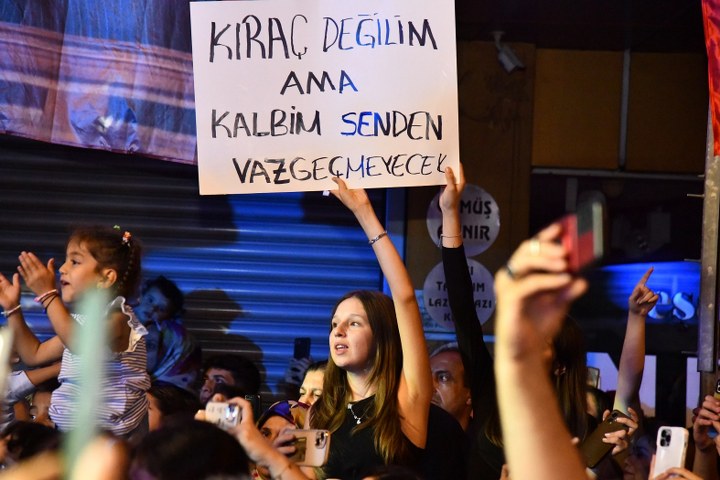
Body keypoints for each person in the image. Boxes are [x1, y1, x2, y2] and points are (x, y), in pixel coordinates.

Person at [307, 177, 432, 480]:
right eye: (334, 324)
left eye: (353, 323)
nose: (338, 332)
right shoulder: (319, 411)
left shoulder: (406, 398)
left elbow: (404, 298)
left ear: (382, 336)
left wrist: (363, 212)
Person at [0, 225, 150, 437]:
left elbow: (79, 343)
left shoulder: (119, 318)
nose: (62, 268)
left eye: (75, 261)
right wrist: (12, 309)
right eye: (66, 260)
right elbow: (33, 354)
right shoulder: (81, 322)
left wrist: (48, 294)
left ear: (106, 278)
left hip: (112, 439)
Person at [493, 221, 589, 480]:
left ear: (561, 365)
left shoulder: (577, 428)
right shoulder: (496, 397)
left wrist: (519, 360)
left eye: (542, 342)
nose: (532, 345)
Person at [135, 275, 201, 391]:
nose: (152, 308)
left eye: (161, 309)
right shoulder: (116, 319)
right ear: (141, 295)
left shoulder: (171, 338)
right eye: (150, 300)